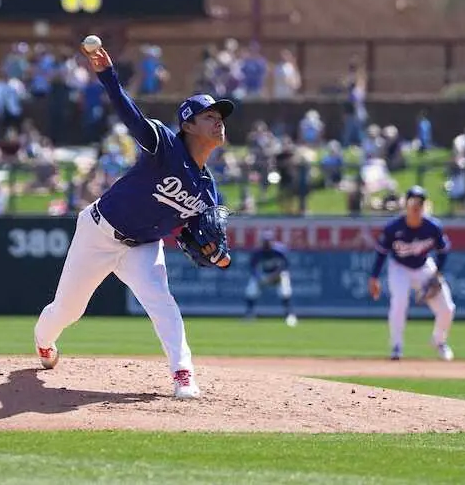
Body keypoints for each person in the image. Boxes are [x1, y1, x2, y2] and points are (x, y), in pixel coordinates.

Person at [34, 36, 232, 400]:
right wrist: (107, 74)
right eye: (210, 117)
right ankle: (44, 341)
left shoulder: (208, 189)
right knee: (69, 309)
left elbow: (201, 233)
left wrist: (219, 255)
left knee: (163, 304)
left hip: (143, 246)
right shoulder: (165, 146)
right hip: (98, 232)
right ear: (188, 125)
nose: (219, 123)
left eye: (220, 119)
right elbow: (131, 116)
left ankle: (183, 374)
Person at [369, 185, 456, 361]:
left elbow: (443, 250)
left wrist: (437, 274)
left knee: (447, 308)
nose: (416, 206)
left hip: (424, 267)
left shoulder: (433, 227)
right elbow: (381, 252)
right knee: (399, 301)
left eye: (420, 202)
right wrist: (374, 277)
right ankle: (396, 346)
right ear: (406, 205)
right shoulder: (393, 227)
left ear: (424, 206)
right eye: (413, 202)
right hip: (399, 267)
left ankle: (439, 341)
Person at [244, 230, 296, 326]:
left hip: (278, 275)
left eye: (268, 241)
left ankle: (289, 315)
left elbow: (285, 265)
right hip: (264, 274)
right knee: (251, 289)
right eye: (265, 241)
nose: (267, 244)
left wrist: (275, 275)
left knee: (285, 291)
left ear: (272, 241)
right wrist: (259, 277)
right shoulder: (258, 252)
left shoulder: (279, 250)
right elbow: (252, 267)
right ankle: (249, 314)